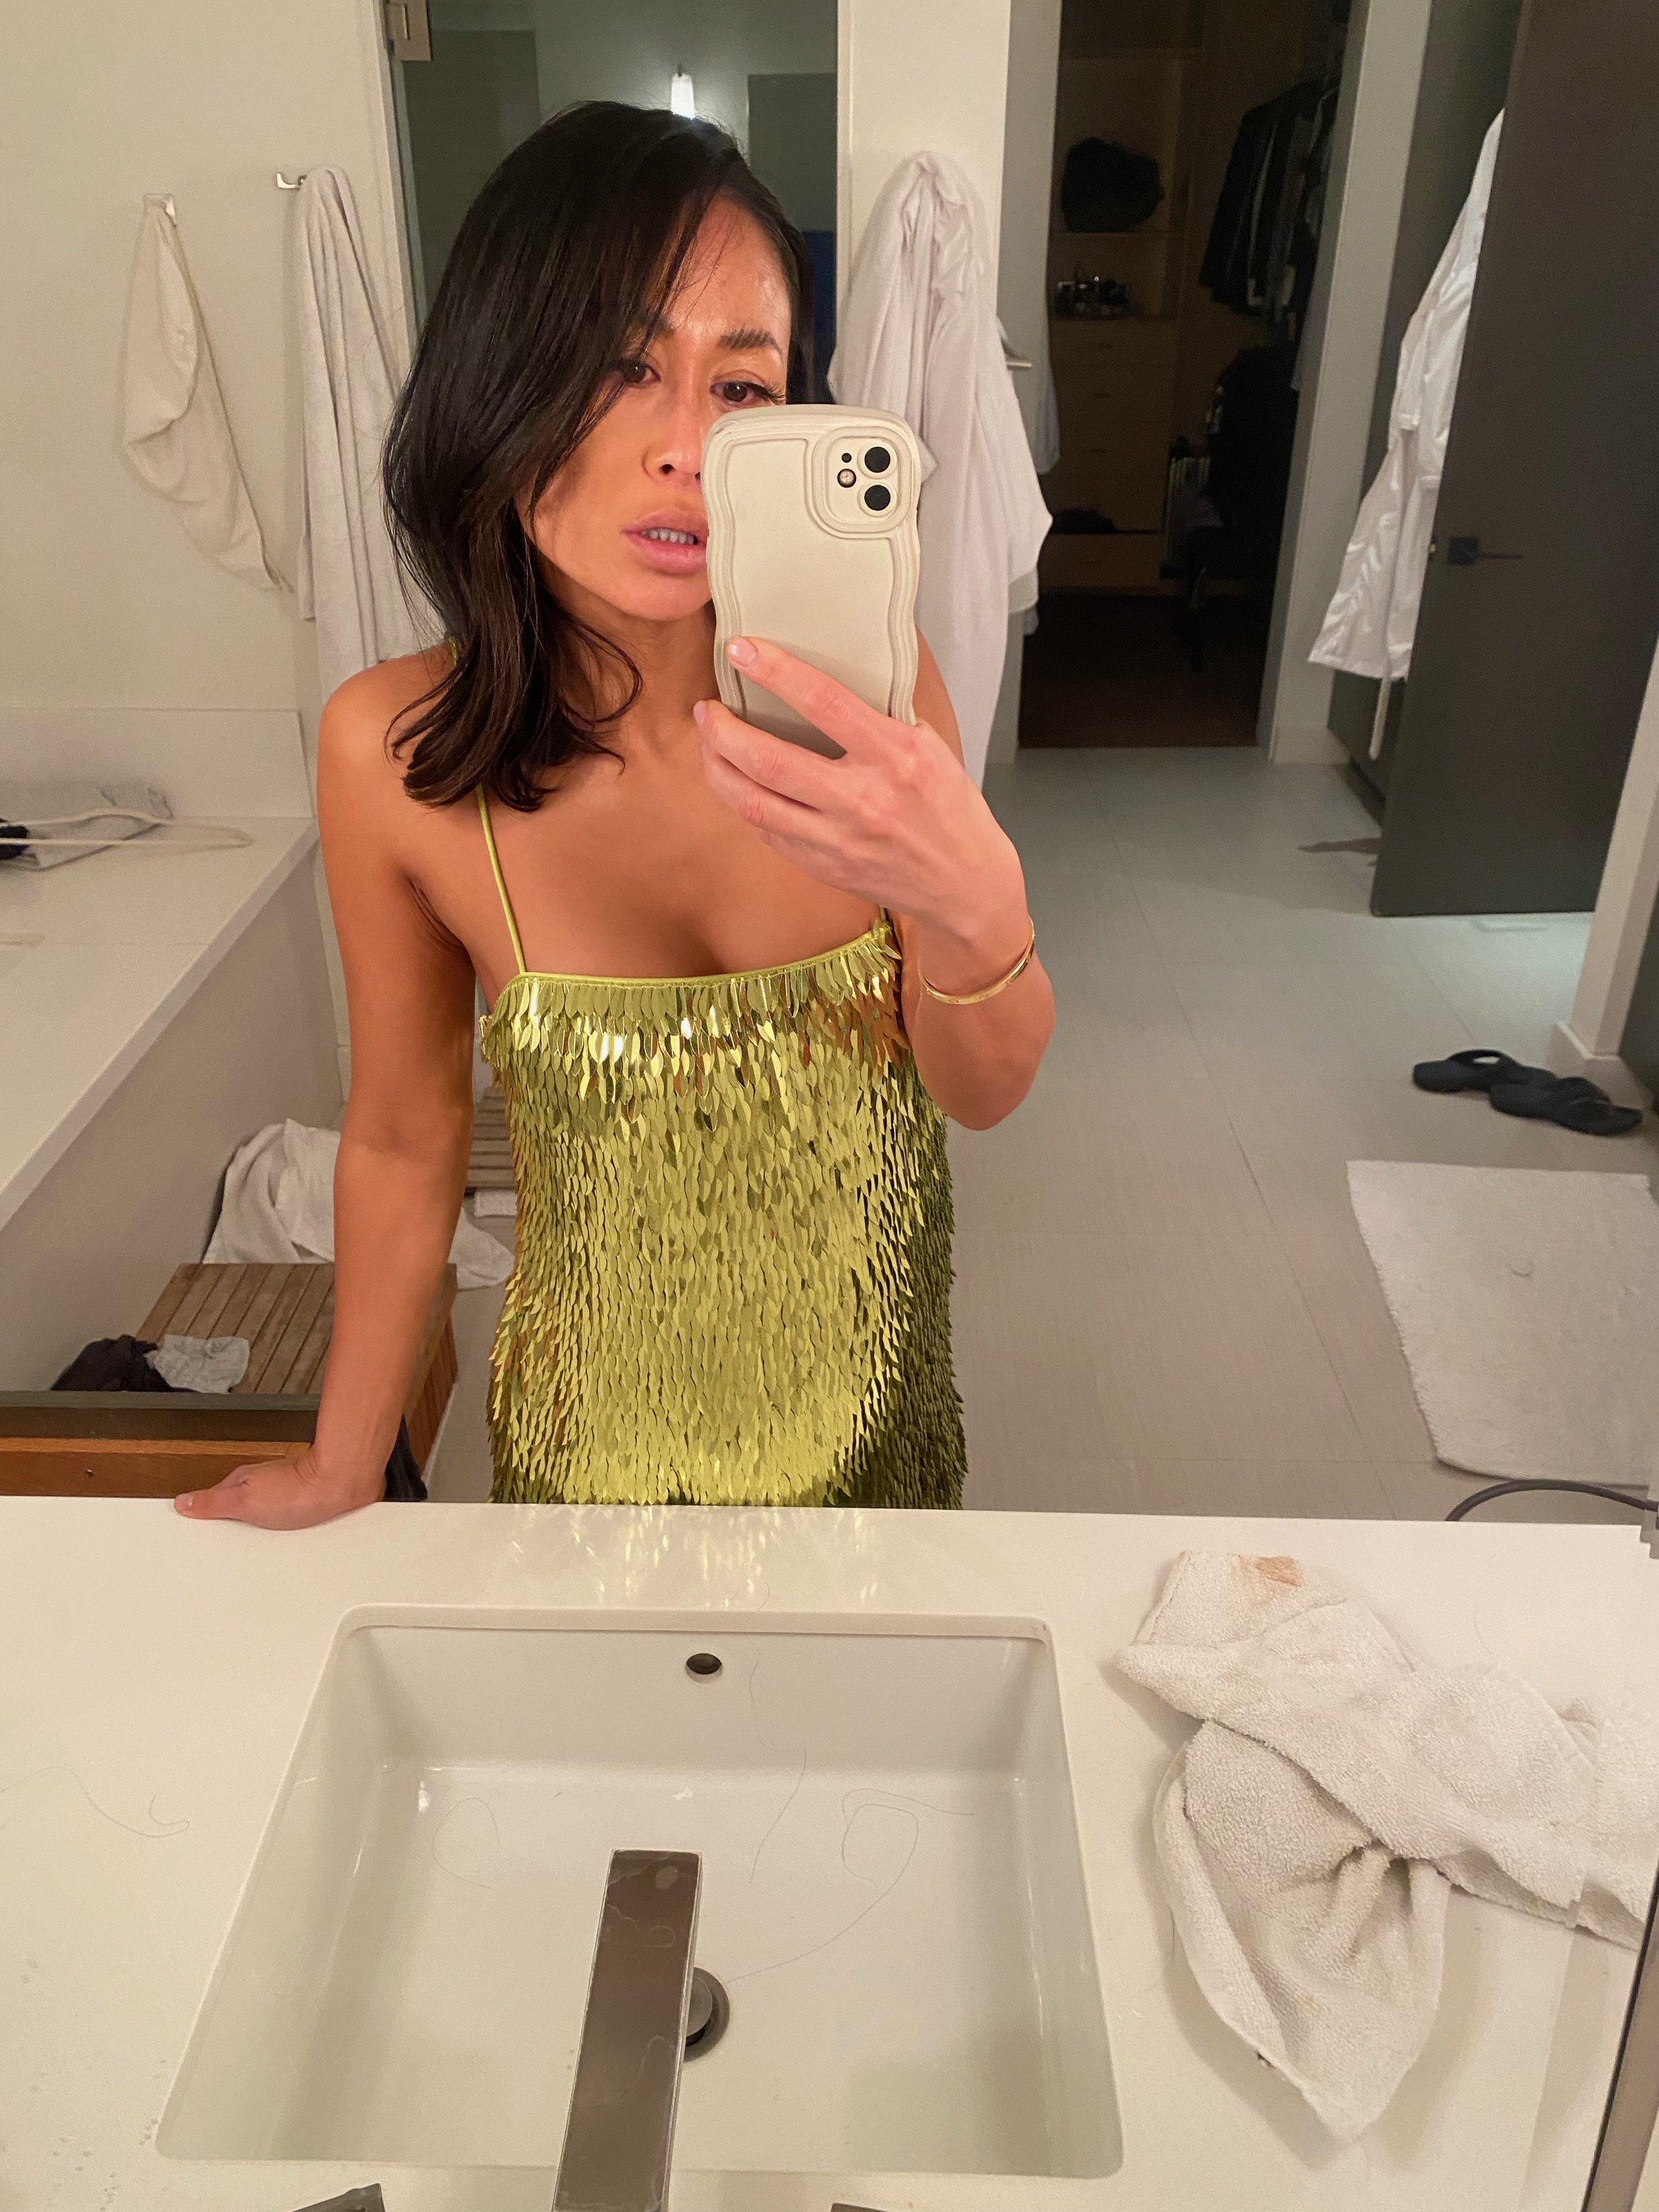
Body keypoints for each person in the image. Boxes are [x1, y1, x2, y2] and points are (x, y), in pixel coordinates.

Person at [176, 102, 1052, 1530]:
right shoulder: (392, 751)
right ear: (500, 379)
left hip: (877, 1446)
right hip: (589, 1465)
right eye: (621, 367)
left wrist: (978, 902)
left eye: (740, 386)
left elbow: (983, 1089)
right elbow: (402, 1134)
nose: (686, 448)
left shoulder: (872, 695)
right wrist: (346, 1461)